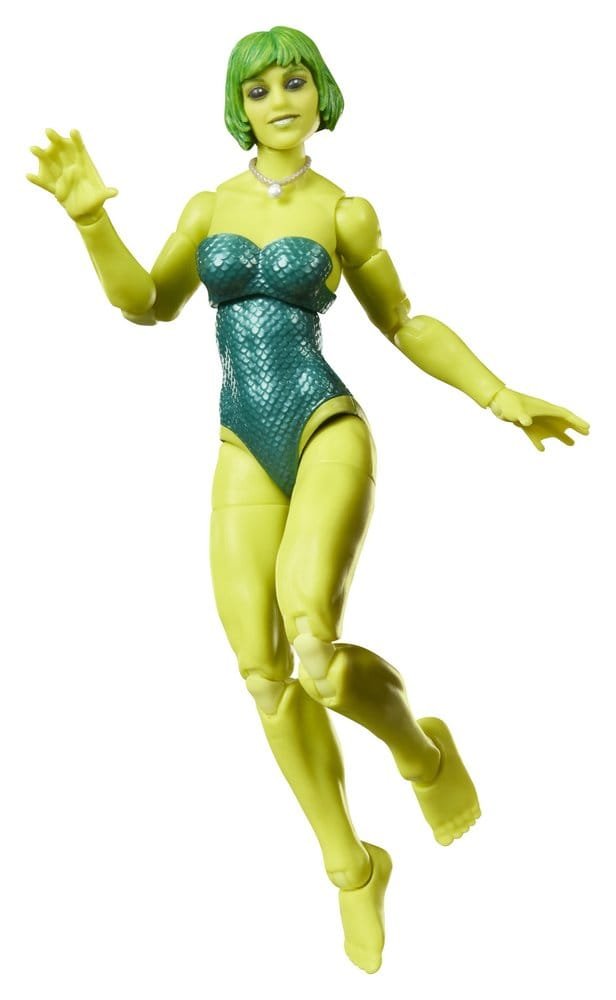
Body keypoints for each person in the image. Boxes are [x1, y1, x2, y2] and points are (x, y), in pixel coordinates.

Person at [27, 25, 589, 974]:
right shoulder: (209, 205)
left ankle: (422, 754)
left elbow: (403, 321)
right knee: (263, 672)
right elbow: (146, 303)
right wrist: (89, 222)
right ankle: (354, 869)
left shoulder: (344, 211)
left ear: (320, 93)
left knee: (316, 651)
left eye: (294, 82)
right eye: (258, 89)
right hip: (242, 440)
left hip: (326, 424)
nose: (278, 101)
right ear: (238, 107)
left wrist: (499, 396)